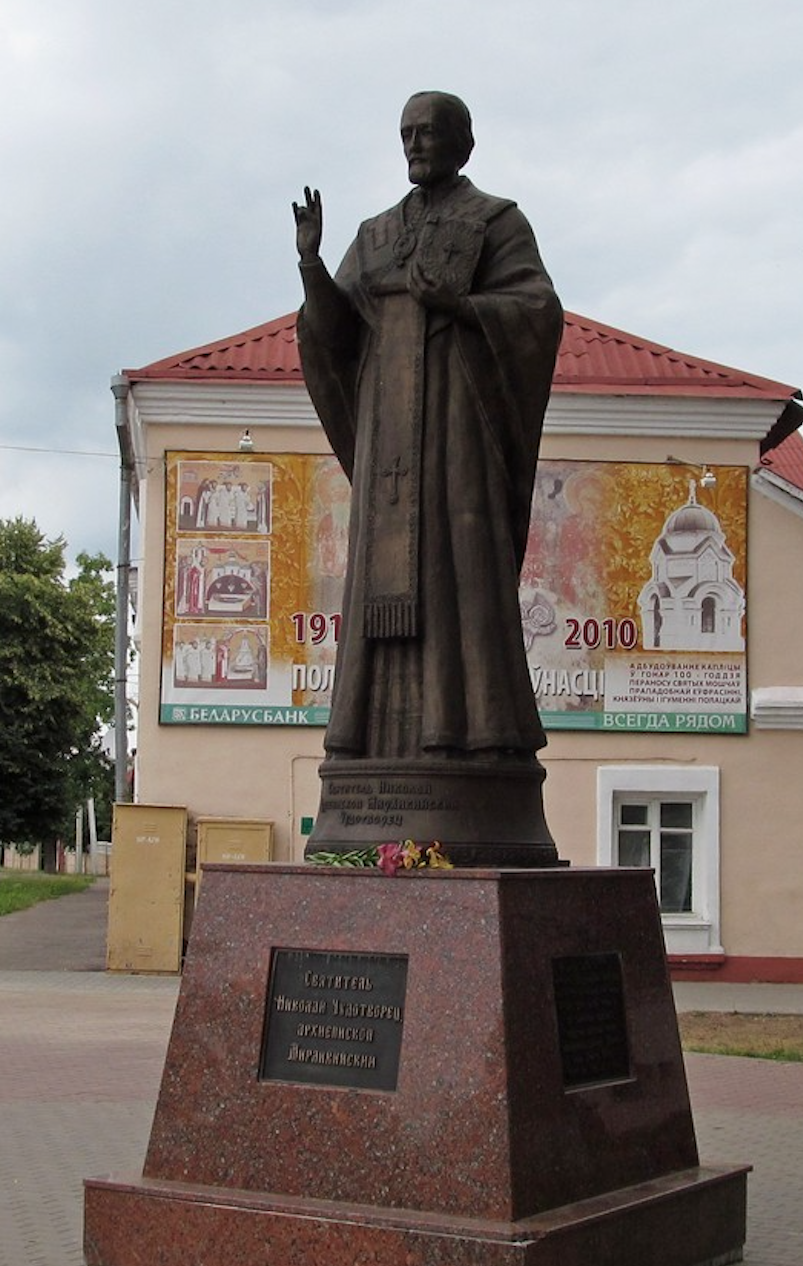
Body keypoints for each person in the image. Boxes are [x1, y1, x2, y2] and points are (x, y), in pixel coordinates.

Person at [292, 91, 563, 762]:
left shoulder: (495, 221)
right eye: (406, 133)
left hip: (457, 432)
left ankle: (475, 735)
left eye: (429, 133)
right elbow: (337, 336)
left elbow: (538, 311)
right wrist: (311, 265)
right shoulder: (375, 233)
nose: (415, 144)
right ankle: (364, 741)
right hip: (390, 439)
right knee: (378, 580)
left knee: (460, 569)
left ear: (463, 144)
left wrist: (462, 305)